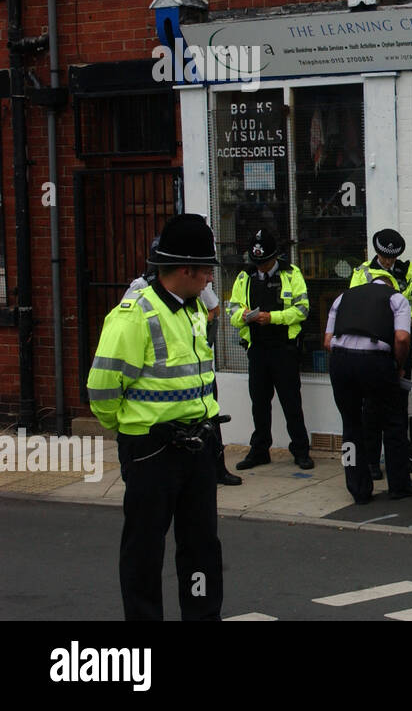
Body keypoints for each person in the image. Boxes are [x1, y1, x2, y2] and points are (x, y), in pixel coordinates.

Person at [87, 213, 224, 620]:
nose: (209, 281)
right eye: (205, 272)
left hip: (198, 444)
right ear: (185, 270)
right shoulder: (134, 315)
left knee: (201, 546)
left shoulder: (193, 307)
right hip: (153, 448)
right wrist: (131, 429)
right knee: (145, 548)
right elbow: (101, 390)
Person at [125, 237, 241, 487]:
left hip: (196, 378)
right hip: (158, 413)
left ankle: (217, 466)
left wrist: (195, 337)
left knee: (210, 422)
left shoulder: (193, 288)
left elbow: (214, 310)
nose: (209, 278)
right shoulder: (139, 288)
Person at [325, 275, 412, 504]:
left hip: (340, 361)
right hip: (375, 361)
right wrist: (398, 365)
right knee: (393, 423)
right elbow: (402, 337)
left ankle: (357, 488)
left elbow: (327, 341)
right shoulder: (397, 299)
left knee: (350, 425)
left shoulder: (342, 298)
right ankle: (399, 485)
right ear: (391, 286)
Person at [228, 229, 314, 470]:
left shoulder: (291, 273)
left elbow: (303, 310)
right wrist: (243, 316)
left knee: (291, 402)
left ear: (275, 257)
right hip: (257, 349)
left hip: (284, 349)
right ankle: (259, 451)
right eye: (257, 262)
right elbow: (231, 310)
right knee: (259, 402)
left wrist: (272, 318)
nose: (261, 267)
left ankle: (300, 450)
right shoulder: (245, 276)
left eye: (264, 262)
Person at [348, 228, 412, 479]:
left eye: (392, 258)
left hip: (402, 342)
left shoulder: (408, 270)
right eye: (384, 257)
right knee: (371, 405)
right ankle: (371, 460)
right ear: (377, 253)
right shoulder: (362, 273)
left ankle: (401, 456)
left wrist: (404, 321)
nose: (388, 262)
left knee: (400, 403)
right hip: (374, 345)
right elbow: (354, 306)